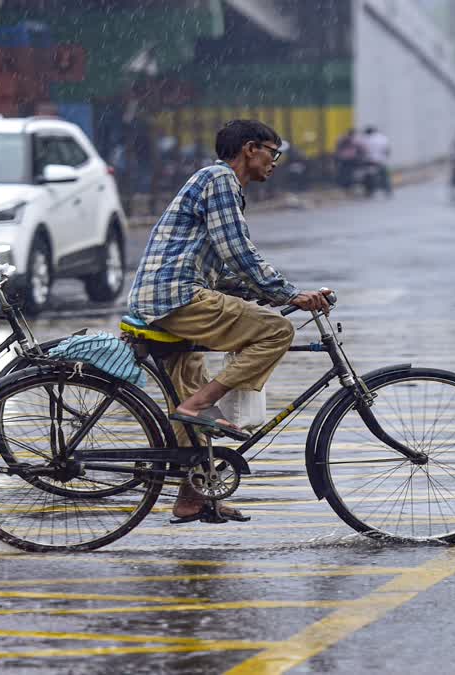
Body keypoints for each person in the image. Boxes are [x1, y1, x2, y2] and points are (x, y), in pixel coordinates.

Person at [127, 119, 332, 523]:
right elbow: (238, 251)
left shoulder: (215, 183)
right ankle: (200, 404)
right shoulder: (220, 180)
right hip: (177, 297)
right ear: (251, 149)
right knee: (276, 330)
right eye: (273, 153)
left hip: (167, 298)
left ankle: (192, 496)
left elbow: (225, 270)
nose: (275, 163)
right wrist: (288, 294)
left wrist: (263, 293)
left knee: (191, 410)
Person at [355, 125, 392, 196]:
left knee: (367, 176)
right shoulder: (382, 138)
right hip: (380, 160)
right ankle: (387, 190)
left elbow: (360, 150)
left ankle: (369, 191)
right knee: (384, 176)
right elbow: (387, 150)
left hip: (368, 160)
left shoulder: (363, 138)